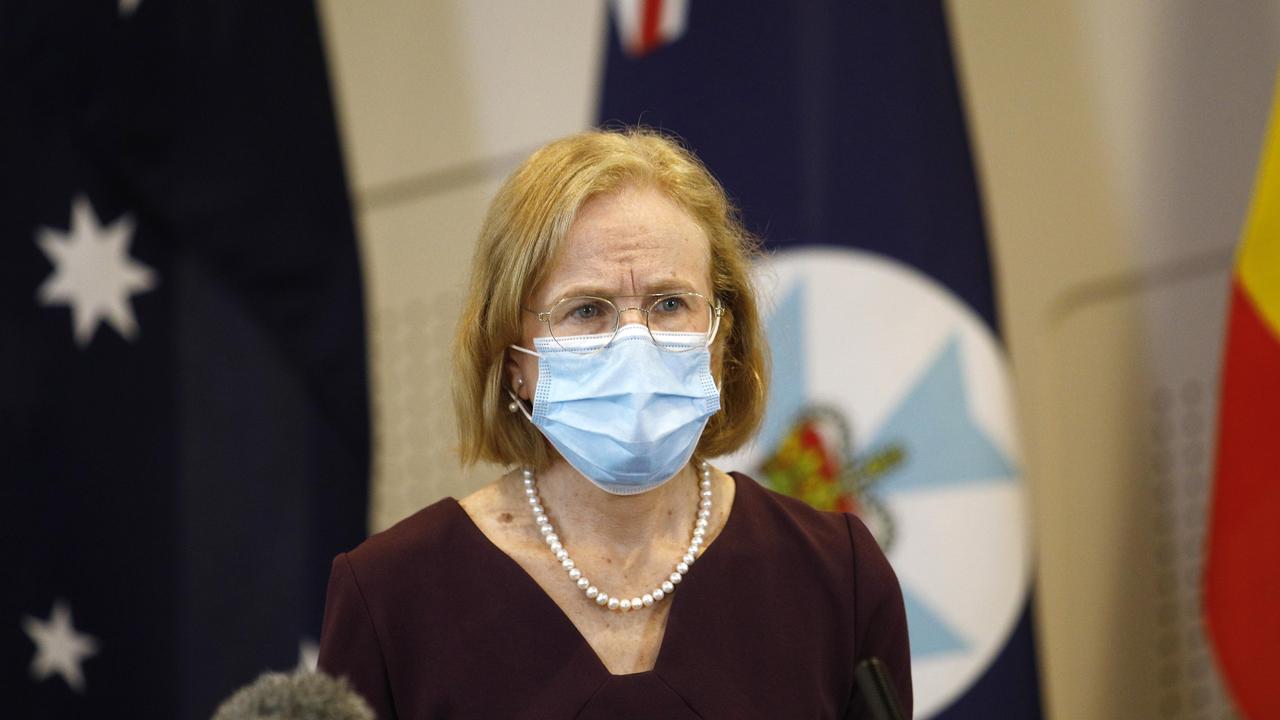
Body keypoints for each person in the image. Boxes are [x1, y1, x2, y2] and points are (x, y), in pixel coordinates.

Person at [317, 128, 912, 719]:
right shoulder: (390, 598)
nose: (636, 344)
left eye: (670, 303)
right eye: (586, 310)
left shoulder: (837, 575)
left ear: (722, 338)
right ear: (513, 359)